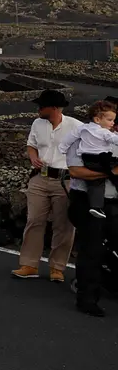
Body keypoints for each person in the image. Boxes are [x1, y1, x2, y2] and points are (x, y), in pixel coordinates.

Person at [13, 89, 80, 281]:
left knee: (64, 225)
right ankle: (29, 265)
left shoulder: (76, 127)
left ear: (55, 108)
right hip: (39, 178)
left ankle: (57, 268)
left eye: (42, 106)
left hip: (64, 179)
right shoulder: (37, 123)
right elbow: (31, 144)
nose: (38, 109)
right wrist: (33, 157)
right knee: (34, 220)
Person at [64, 133, 118, 317]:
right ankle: (87, 300)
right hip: (87, 201)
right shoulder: (80, 141)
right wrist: (111, 172)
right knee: (92, 249)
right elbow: (76, 171)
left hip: (114, 202)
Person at [56, 100, 118, 219]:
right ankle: (96, 207)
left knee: (96, 183)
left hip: (88, 159)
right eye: (110, 120)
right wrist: (111, 172)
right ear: (97, 119)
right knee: (98, 183)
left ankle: (96, 207)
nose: (113, 123)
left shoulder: (83, 129)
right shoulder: (106, 133)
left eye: (114, 120)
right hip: (97, 161)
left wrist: (62, 148)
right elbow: (75, 172)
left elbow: (69, 137)